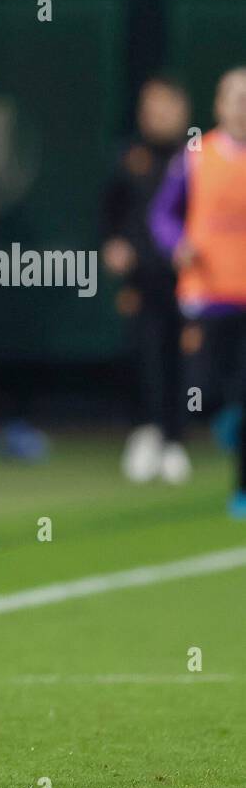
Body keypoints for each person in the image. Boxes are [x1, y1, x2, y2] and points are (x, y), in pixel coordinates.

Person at [151, 68, 246, 516]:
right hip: (206, 293)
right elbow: (163, 216)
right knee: (202, 388)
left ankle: (241, 489)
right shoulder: (195, 155)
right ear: (219, 105)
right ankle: (221, 425)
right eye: (234, 96)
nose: (242, 105)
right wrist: (178, 244)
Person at [102, 77, 191, 484]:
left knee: (181, 360)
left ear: (182, 109)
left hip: (189, 281)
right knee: (143, 353)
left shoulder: (197, 159)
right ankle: (145, 432)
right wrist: (113, 244)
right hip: (142, 280)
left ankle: (173, 440)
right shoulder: (128, 157)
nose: (156, 115)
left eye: (165, 106)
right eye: (149, 106)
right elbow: (110, 213)